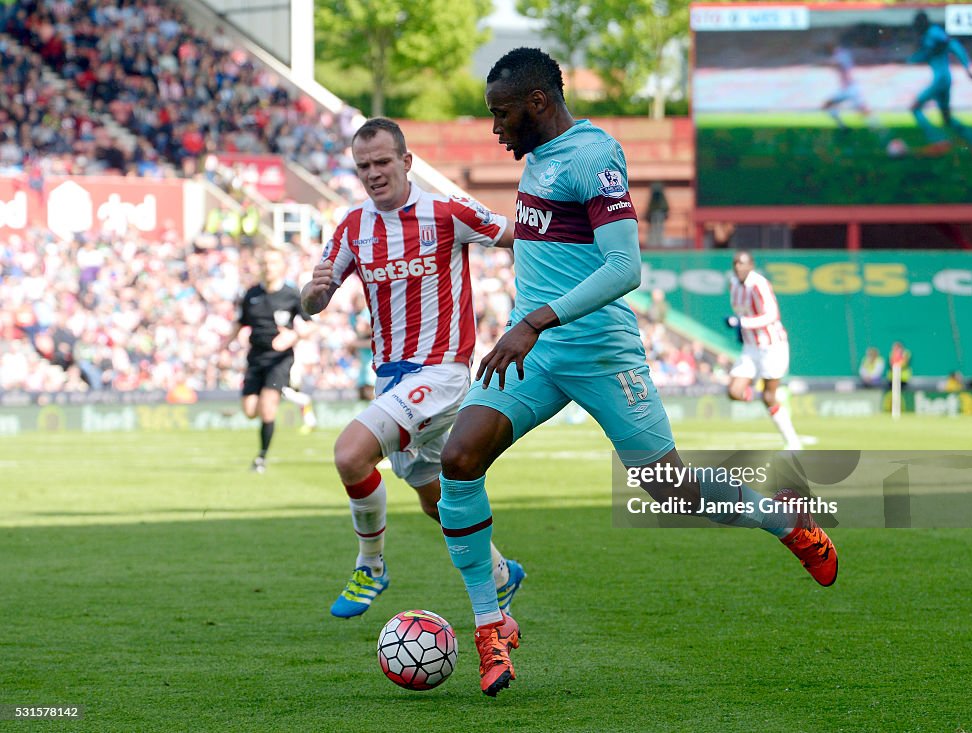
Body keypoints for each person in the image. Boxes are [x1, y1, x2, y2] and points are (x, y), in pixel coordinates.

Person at [437, 47, 838, 698]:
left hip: (597, 351)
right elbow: (551, 237)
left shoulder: (595, 160)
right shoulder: (537, 154)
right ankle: (492, 624)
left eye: (502, 114)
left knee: (672, 491)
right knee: (458, 459)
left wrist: (534, 319)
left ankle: (784, 517)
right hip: (535, 355)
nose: (495, 129)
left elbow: (627, 268)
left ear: (538, 104)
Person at [299, 118, 525, 621]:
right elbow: (313, 300)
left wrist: (579, 239)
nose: (374, 173)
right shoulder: (353, 226)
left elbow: (514, 234)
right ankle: (500, 574)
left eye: (383, 162)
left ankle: (371, 565)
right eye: (364, 166)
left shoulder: (446, 211)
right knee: (436, 498)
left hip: (442, 374)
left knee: (350, 455)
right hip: (392, 379)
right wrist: (312, 296)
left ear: (406, 161)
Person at [223, 247, 314, 473]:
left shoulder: (291, 294)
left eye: (272, 263)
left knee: (267, 408)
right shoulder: (252, 294)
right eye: (264, 263)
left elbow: (310, 325)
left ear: (281, 266)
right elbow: (239, 323)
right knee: (250, 410)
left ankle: (261, 457)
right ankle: (285, 392)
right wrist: (224, 347)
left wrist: (292, 336)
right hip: (256, 357)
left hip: (280, 360)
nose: (267, 267)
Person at [725, 251, 803, 450]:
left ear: (751, 265)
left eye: (742, 264)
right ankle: (767, 395)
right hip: (751, 348)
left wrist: (742, 323)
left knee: (768, 397)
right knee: (733, 391)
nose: (738, 267)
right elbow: (739, 310)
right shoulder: (733, 284)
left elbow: (772, 315)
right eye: (735, 264)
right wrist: (740, 329)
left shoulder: (759, 284)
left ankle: (793, 441)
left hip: (771, 346)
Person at [907, 10, 972, 157]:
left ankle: (939, 140)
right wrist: (911, 59)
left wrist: (968, 69)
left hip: (941, 79)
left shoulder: (934, 32)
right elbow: (928, 54)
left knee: (915, 107)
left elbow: (953, 45)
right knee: (947, 118)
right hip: (943, 78)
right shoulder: (927, 37)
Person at [644, 182, 669, 247]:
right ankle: (654, 242)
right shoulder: (654, 196)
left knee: (659, 228)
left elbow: (664, 206)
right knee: (654, 228)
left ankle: (658, 242)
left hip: (659, 214)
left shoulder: (661, 196)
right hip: (655, 214)